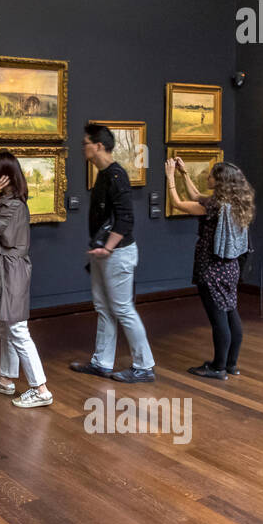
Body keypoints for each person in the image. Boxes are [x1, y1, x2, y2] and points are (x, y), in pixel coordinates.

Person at [69, 123, 157, 382]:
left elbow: (126, 219)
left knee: (123, 309)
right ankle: (102, 362)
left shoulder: (116, 175)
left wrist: (107, 248)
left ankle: (144, 366)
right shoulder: (104, 174)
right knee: (104, 307)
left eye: (85, 143)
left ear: (98, 145)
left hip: (117, 254)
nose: (82, 147)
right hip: (104, 253)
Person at [0, 152, 52, 408]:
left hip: (10, 272)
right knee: (4, 327)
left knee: (18, 329)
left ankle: (41, 389)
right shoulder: (10, 203)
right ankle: (6, 379)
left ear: (1, 177)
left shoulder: (12, 206)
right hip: (2, 271)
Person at [165, 158, 254, 380]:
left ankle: (217, 368)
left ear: (221, 181)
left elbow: (179, 204)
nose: (207, 178)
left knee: (218, 320)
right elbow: (196, 197)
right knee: (231, 314)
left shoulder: (215, 207)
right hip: (230, 268)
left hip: (212, 270)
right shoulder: (233, 203)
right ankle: (231, 365)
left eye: (211, 175)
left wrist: (169, 178)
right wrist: (184, 174)